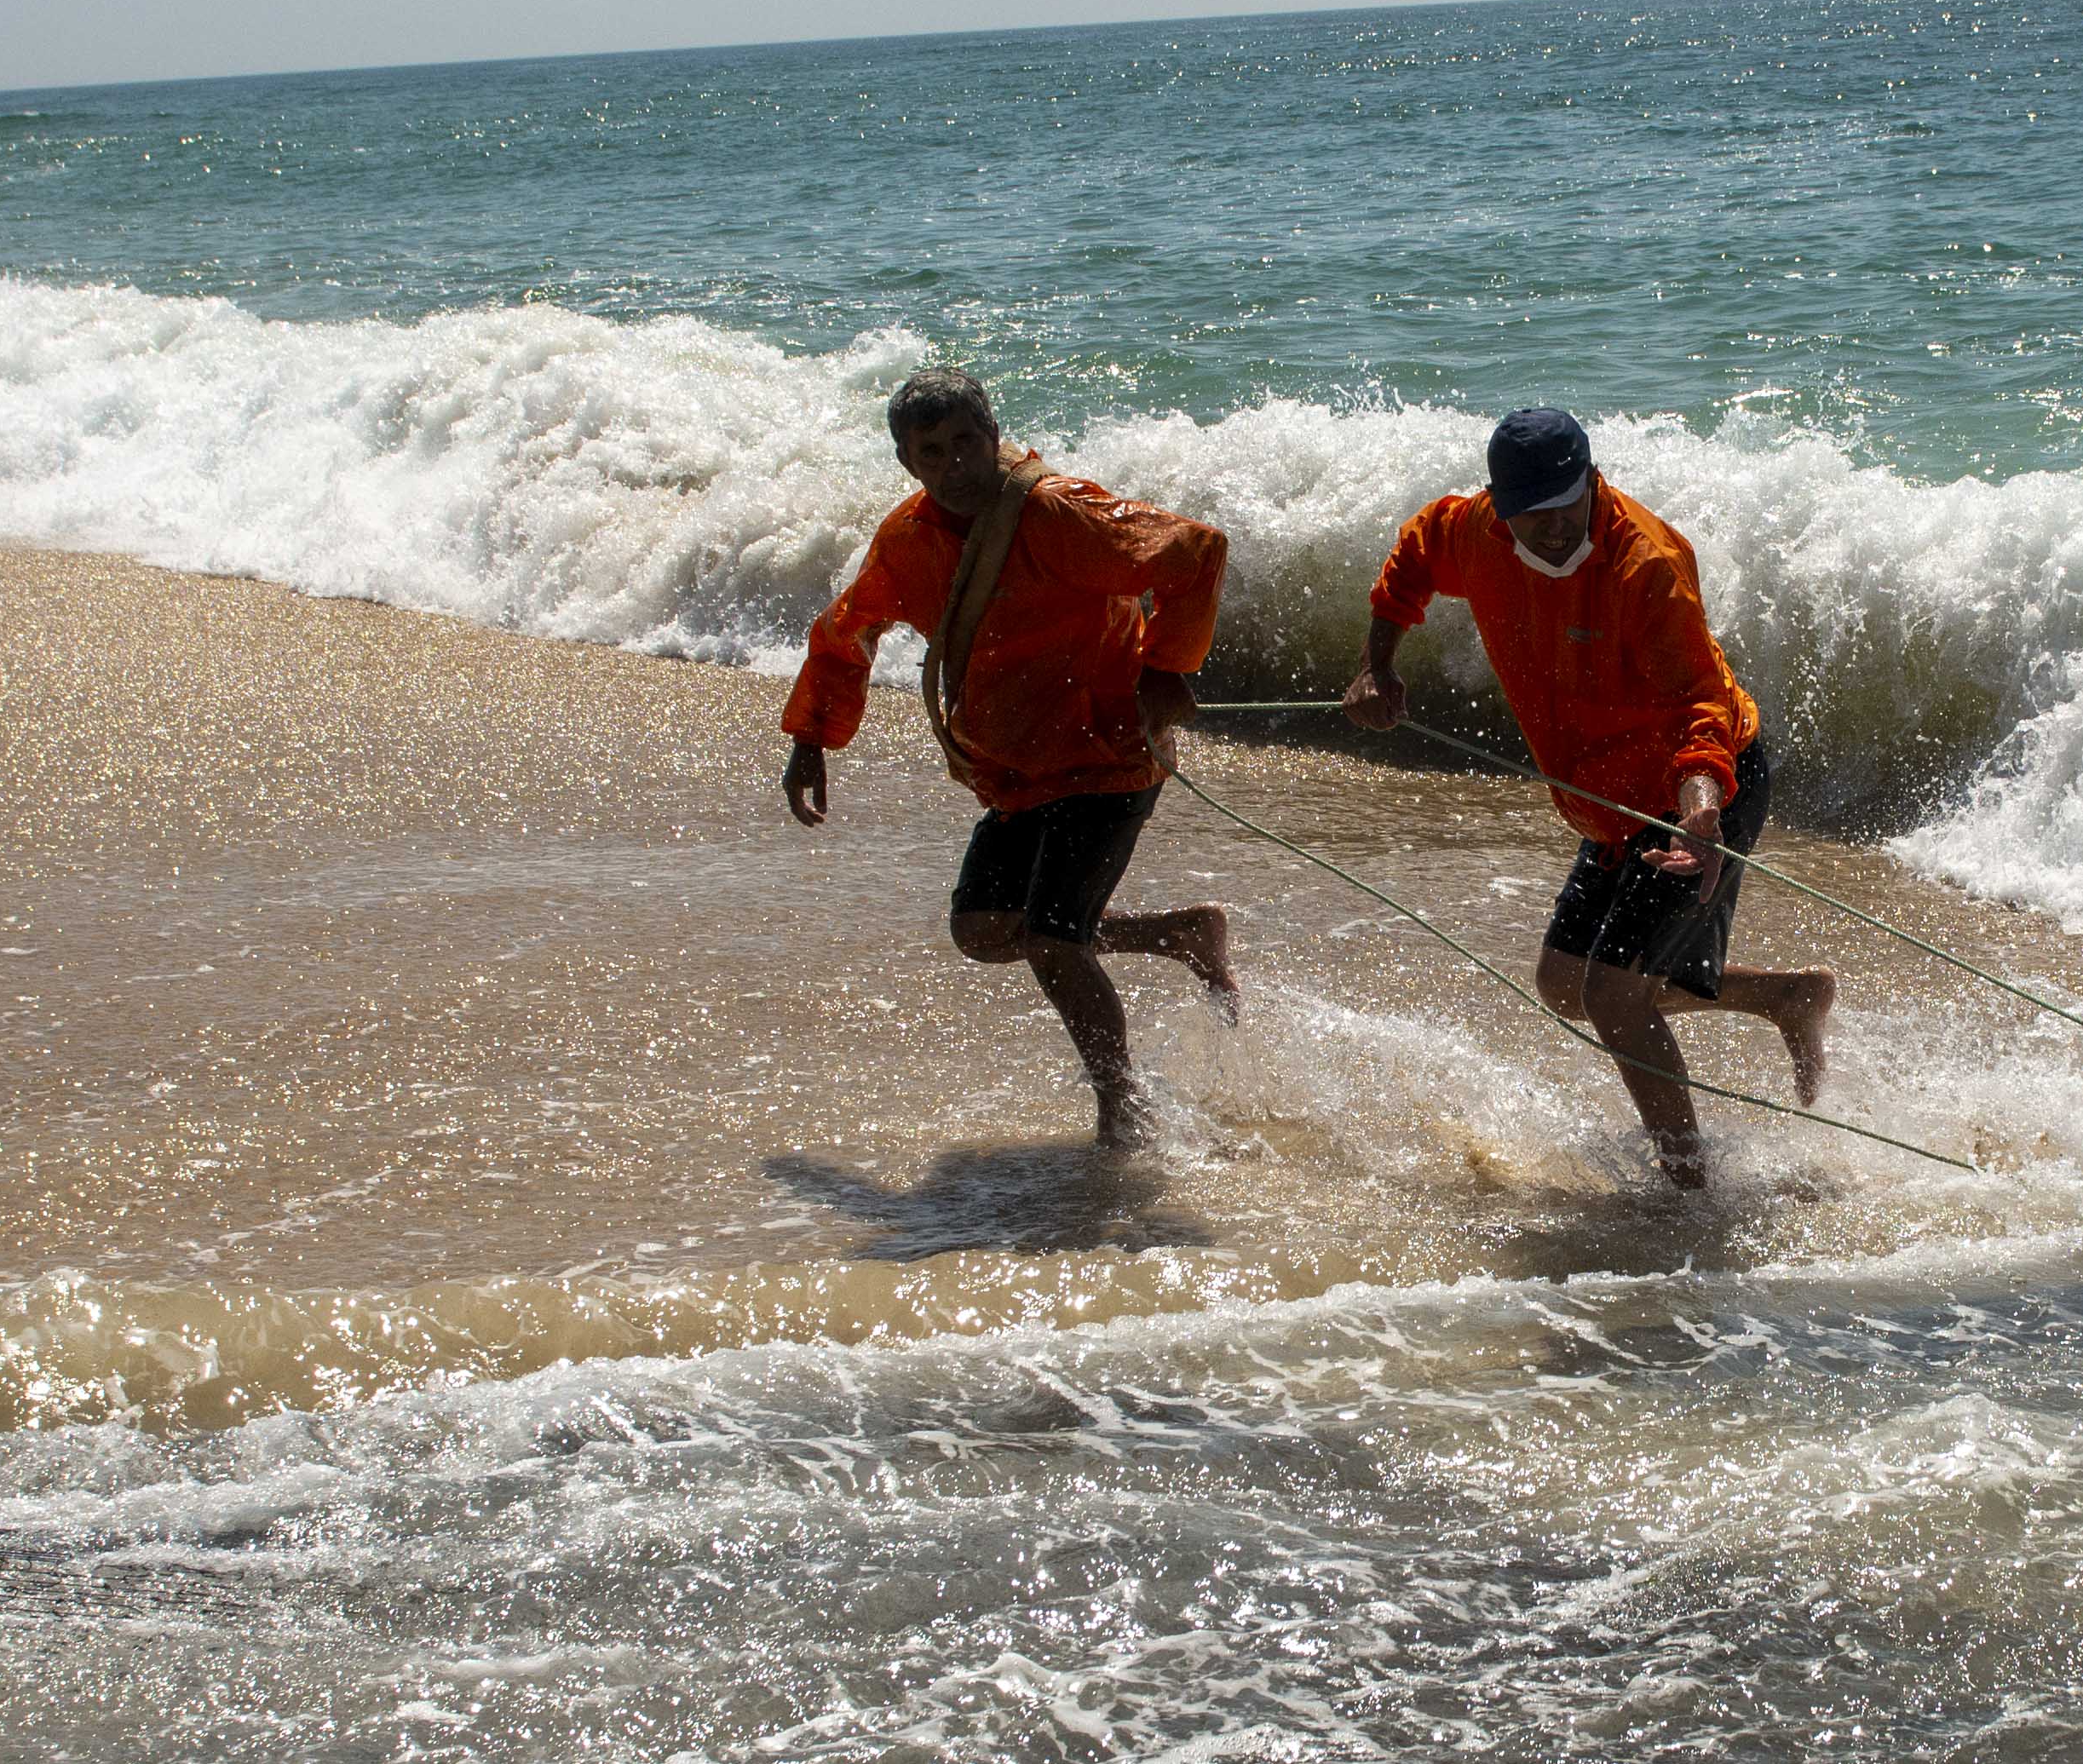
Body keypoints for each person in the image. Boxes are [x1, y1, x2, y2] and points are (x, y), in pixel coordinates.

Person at [1345, 405, 1838, 1186]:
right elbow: (1411, 556)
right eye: (1528, 516)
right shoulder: (1476, 531)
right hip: (1608, 804)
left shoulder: (1646, 565)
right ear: (1499, 504)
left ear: (1591, 481)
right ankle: (1785, 997)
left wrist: (1702, 804)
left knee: (1614, 995)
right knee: (1567, 986)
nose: (1548, 531)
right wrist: (1379, 663)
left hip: (1700, 789)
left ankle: (1688, 1191)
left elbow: (1699, 704)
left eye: (1564, 510)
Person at [779, 368, 1240, 1147]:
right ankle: (1178, 935)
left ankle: (1122, 1108)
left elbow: (1196, 551)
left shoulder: (1059, 513)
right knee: (985, 929)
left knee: (1057, 940)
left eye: (967, 441)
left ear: (994, 436)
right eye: (932, 451)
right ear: (908, 462)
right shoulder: (907, 539)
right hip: (1019, 773)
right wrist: (811, 741)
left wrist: (1164, 670)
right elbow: (846, 629)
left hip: (1108, 757)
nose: (954, 463)